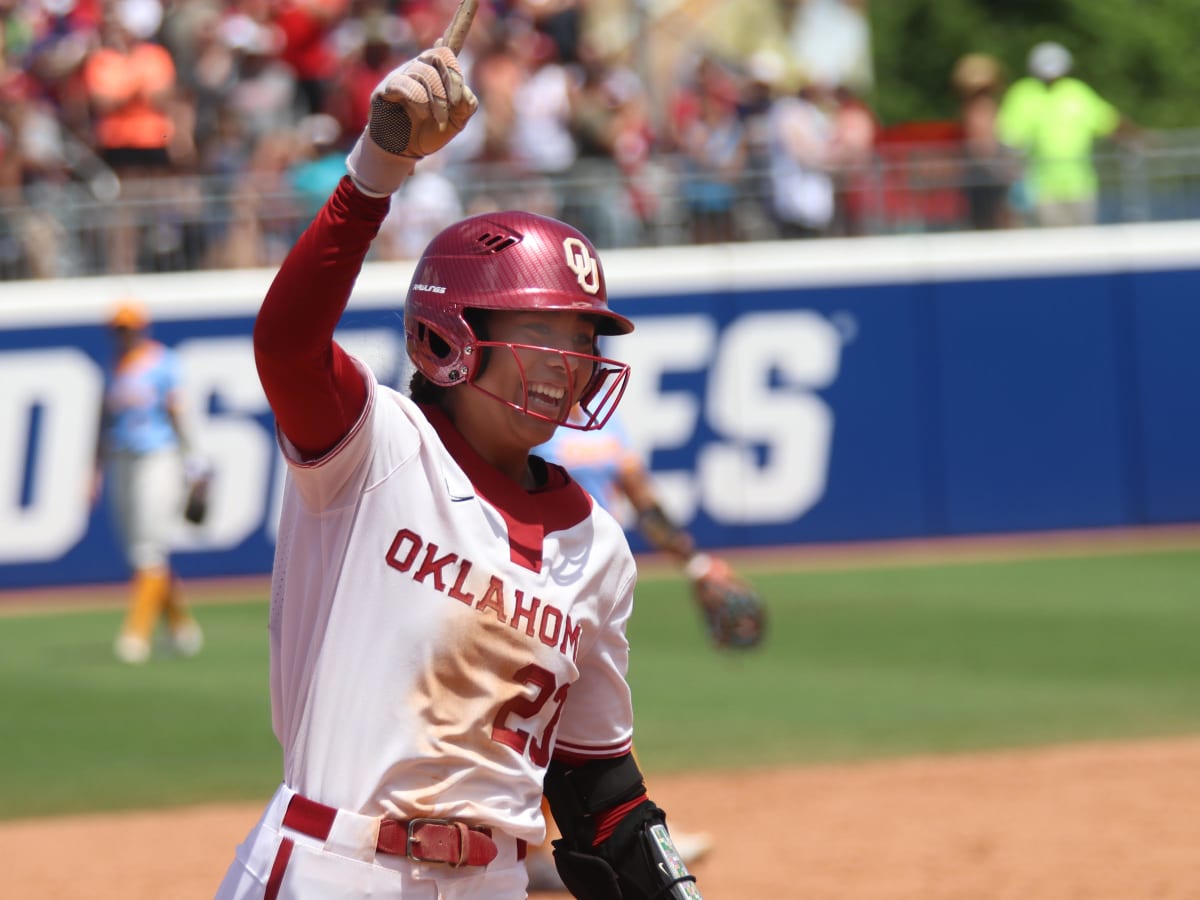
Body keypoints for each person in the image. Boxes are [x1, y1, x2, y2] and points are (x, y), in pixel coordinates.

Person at [216, 36, 702, 900]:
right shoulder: (376, 451)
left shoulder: (597, 548)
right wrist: (377, 170)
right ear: (449, 336)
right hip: (335, 868)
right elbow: (286, 345)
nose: (571, 361)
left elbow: (597, 793)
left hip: (495, 884)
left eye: (585, 339)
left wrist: (670, 884)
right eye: (544, 331)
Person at [92, 298, 205, 664]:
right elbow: (103, 422)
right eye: (118, 330)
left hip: (158, 458)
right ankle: (181, 627)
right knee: (140, 551)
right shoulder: (115, 369)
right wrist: (94, 468)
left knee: (148, 551)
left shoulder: (163, 363)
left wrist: (194, 463)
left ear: (141, 328)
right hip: (122, 459)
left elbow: (178, 416)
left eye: (127, 328)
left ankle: (135, 636)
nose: (122, 336)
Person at [996, 41, 1134, 228]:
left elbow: (1109, 121)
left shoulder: (1076, 92)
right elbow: (1010, 139)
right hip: (1041, 187)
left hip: (1080, 185)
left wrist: (1141, 139)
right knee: (1054, 243)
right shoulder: (1024, 94)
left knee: (1082, 243)